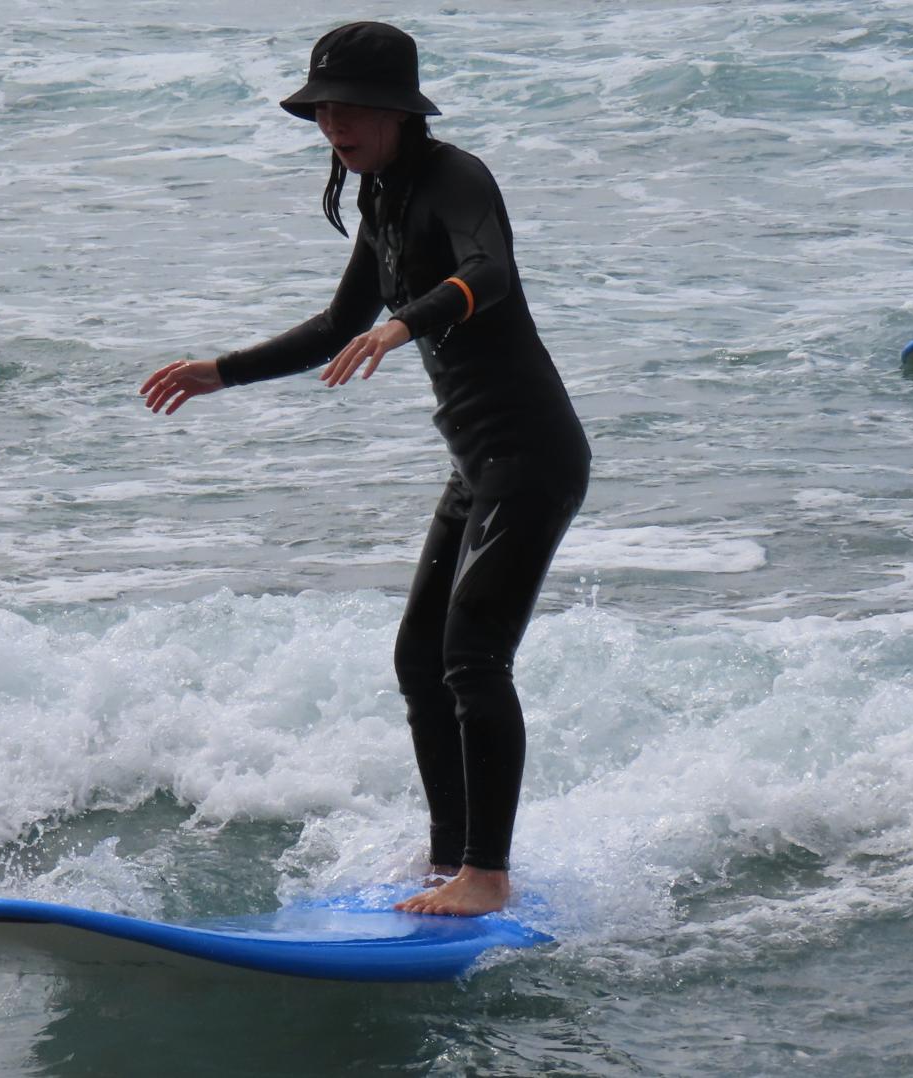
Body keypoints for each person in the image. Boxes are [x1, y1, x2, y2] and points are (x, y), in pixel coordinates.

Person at [139, 22, 589, 916]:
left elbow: (490, 271)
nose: (333, 125)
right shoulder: (381, 195)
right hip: (478, 463)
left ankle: (487, 876)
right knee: (421, 658)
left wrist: (405, 323)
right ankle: (449, 859)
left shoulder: (456, 178)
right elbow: (336, 323)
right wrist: (221, 371)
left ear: (397, 111)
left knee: (473, 655)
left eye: (349, 108)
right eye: (322, 110)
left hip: (532, 455)